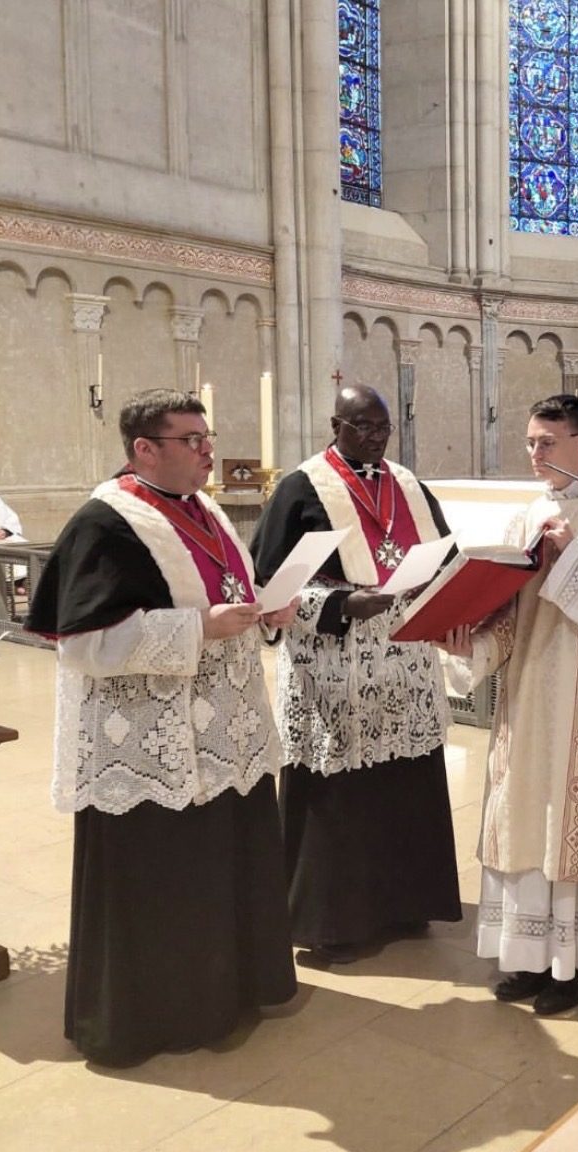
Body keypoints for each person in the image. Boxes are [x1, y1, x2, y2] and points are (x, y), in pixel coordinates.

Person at [25, 388, 298, 1066]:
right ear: (144, 449)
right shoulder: (105, 522)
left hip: (222, 734)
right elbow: (80, 645)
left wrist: (262, 612)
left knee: (220, 867)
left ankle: (228, 993)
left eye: (206, 436)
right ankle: (157, 1016)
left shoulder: (200, 509)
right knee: (165, 879)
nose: (210, 452)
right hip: (151, 743)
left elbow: (224, 595)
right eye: (193, 441)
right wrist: (196, 629)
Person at [439, 395, 578, 1015]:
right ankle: (531, 957)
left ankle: (577, 965)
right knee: (527, 820)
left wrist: (576, 557)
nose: (536, 454)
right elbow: (512, 617)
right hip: (530, 696)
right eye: (531, 442)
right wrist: (467, 639)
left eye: (549, 442)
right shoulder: (526, 516)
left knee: (577, 825)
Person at [250, 383, 461, 966]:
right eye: (361, 427)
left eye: (382, 429)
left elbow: (443, 552)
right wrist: (342, 606)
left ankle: (407, 902)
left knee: (405, 782)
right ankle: (333, 923)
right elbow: (270, 583)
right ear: (335, 426)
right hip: (333, 665)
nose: (373, 438)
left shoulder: (408, 484)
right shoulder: (301, 486)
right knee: (337, 794)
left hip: (406, 660)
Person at [0, 465, 29, 587]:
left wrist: (5, 531)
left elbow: (11, 518)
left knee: (23, 544)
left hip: (0, 535)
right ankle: (5, 586)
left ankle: (21, 582)